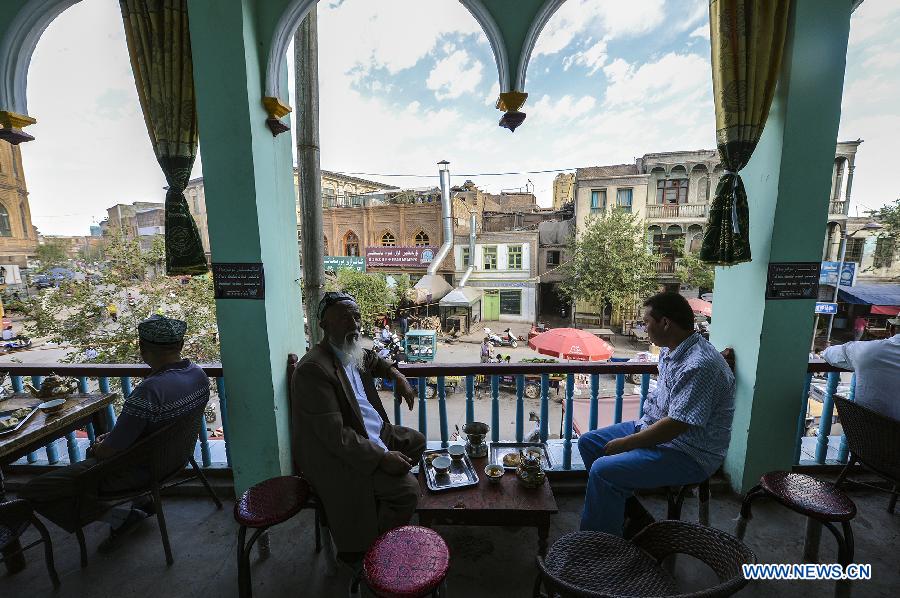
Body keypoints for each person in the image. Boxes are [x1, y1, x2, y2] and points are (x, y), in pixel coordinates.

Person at [20, 315, 210, 550]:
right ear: (180, 345)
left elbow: (109, 452)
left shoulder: (149, 392)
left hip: (140, 469)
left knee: (33, 490)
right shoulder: (198, 375)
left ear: (142, 348)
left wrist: (101, 445)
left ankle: (119, 516)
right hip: (176, 458)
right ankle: (141, 501)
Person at [577, 292, 735, 537]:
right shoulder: (671, 350)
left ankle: (600, 548)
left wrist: (626, 443)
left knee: (602, 471)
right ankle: (634, 517)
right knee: (589, 443)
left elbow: (676, 425)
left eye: (646, 321)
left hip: (689, 452)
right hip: (653, 428)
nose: (643, 327)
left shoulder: (700, 365)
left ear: (665, 323)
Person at [291, 292, 425, 557]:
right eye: (344, 318)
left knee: (418, 442)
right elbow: (336, 436)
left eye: (356, 316)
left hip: (372, 432)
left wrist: (396, 374)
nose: (353, 323)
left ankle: (378, 510)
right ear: (324, 326)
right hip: (340, 457)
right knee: (408, 491)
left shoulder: (349, 350)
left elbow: (372, 358)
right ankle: (376, 554)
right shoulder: (314, 370)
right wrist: (382, 458)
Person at [821, 326, 900, 421]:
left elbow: (828, 353)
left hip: (869, 430)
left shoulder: (869, 350)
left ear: (892, 330)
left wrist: (859, 363)